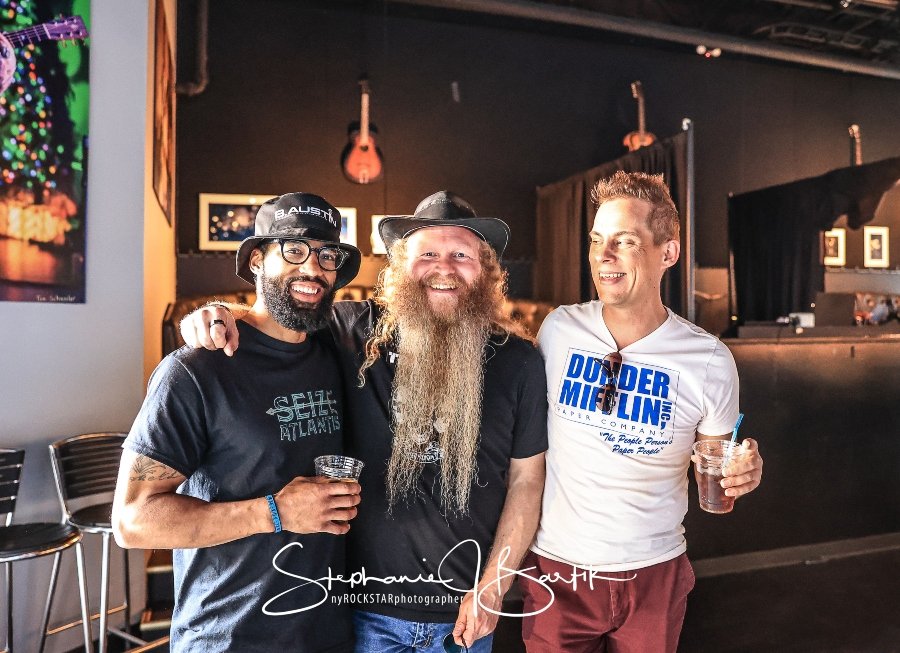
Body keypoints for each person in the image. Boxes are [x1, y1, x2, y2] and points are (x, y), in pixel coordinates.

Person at [181, 191, 548, 652]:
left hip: (464, 615)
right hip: (358, 613)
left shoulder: (519, 362)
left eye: (461, 255)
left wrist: (493, 588)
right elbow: (277, 316)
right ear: (401, 268)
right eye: (427, 254)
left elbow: (527, 482)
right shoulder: (352, 330)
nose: (444, 268)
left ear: (486, 271)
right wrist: (216, 315)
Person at [519, 171, 764, 652]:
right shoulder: (558, 330)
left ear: (667, 252)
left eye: (625, 241)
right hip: (558, 571)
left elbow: (716, 467)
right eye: (597, 240)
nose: (603, 255)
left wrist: (742, 471)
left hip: (654, 572)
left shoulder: (709, 360)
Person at [112, 192, 363, 652]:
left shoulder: (337, 352)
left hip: (327, 633)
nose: (312, 268)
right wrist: (274, 512)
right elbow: (133, 520)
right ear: (256, 261)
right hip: (228, 635)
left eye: (327, 255)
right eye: (293, 250)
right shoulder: (196, 369)